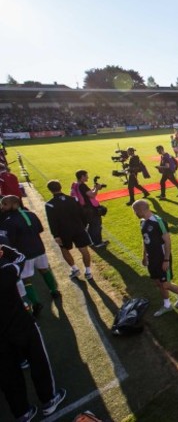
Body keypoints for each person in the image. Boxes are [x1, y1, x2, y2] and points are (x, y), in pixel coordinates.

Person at [0, 246, 66, 421]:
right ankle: (49, 399)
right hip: (21, 325)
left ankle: (22, 413)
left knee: (8, 375)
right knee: (38, 361)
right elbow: (20, 257)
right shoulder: (6, 271)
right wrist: (4, 249)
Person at [1, 195, 60, 314]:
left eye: (4, 204)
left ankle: (36, 303)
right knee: (44, 270)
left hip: (24, 254)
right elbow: (40, 229)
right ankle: (54, 291)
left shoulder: (8, 222)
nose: (2, 207)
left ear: (14, 204)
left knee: (25, 278)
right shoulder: (31, 214)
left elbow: (9, 240)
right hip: (39, 249)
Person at [131, 200, 178, 317]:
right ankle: (167, 305)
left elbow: (167, 241)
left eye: (136, 211)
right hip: (151, 258)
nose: (135, 214)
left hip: (162, 258)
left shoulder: (159, 222)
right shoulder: (142, 222)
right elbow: (145, 240)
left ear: (142, 210)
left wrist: (166, 260)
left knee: (165, 284)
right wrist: (144, 256)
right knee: (158, 282)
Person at [45, 180, 94, 280]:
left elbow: (52, 221)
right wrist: (83, 225)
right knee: (84, 250)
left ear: (50, 190)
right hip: (78, 228)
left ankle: (75, 269)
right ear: (60, 187)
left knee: (64, 250)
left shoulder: (50, 204)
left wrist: (55, 235)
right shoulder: (73, 199)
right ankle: (88, 272)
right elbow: (82, 214)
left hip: (63, 232)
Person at [71, 170, 109, 248]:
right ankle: (98, 243)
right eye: (86, 176)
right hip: (90, 209)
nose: (87, 177)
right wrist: (97, 189)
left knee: (91, 225)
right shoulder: (82, 186)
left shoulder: (76, 185)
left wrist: (95, 188)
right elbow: (92, 195)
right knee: (96, 225)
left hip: (83, 209)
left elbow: (87, 193)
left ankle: (91, 241)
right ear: (82, 177)